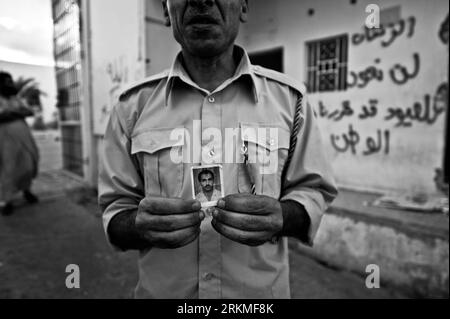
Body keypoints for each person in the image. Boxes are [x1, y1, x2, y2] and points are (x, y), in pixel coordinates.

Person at [99, 0, 338, 299]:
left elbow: (313, 192)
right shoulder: (131, 107)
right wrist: (137, 225)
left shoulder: (291, 101)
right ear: (165, 9)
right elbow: (115, 212)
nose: (201, 1)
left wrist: (282, 216)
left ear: (245, 7)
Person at [0, 71, 39, 216]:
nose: (11, 84)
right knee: (8, 169)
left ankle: (26, 191)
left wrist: (14, 113)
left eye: (11, 80)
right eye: (7, 81)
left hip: (23, 137)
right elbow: (4, 115)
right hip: (5, 139)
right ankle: (7, 201)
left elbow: (28, 112)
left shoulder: (15, 99)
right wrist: (16, 113)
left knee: (27, 165)